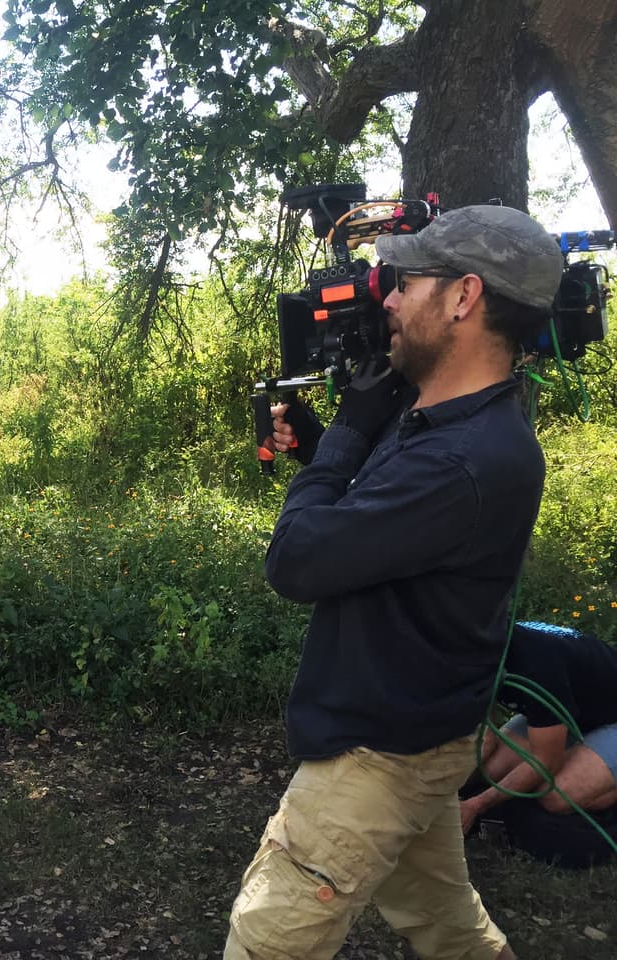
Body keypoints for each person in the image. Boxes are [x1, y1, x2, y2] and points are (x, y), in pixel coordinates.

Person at [225, 205, 564, 960]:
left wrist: (343, 433)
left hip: (377, 754)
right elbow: (385, 523)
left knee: (266, 943)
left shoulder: (463, 458)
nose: (388, 299)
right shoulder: (449, 419)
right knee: (451, 930)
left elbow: (297, 561)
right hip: (426, 734)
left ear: (464, 297)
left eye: (406, 282)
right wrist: (328, 448)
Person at [461, 621, 617, 831]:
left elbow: (545, 762)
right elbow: (486, 736)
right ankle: (588, 758)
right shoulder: (470, 652)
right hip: (576, 711)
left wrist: (476, 805)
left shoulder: (536, 665)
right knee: (493, 769)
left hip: (610, 716)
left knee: (556, 796)